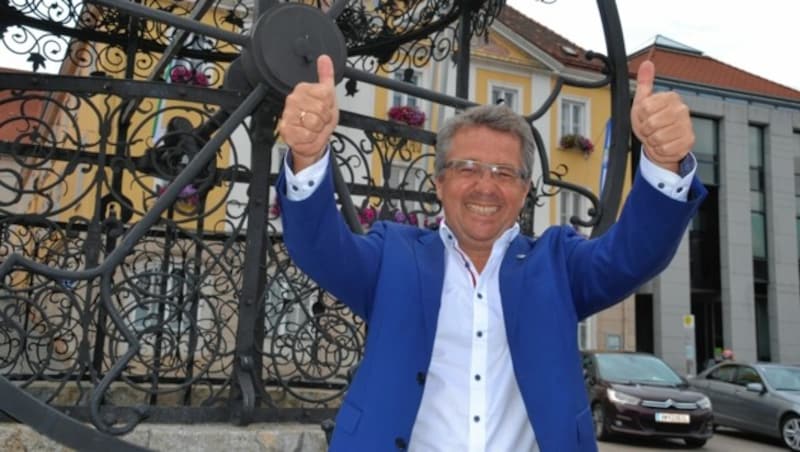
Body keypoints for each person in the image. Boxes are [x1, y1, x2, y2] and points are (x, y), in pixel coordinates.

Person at [276, 55, 706, 452]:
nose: (485, 186)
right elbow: (319, 248)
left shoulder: (558, 264)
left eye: (504, 173)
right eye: (467, 168)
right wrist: (309, 157)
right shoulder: (393, 255)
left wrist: (663, 165)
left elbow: (635, 256)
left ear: (524, 191)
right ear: (439, 182)